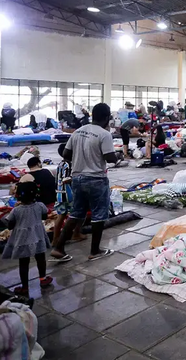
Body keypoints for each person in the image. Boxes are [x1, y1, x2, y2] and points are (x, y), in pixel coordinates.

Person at [51, 103, 118, 263]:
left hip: (78, 178)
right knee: (99, 214)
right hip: (96, 179)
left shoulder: (78, 132)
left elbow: (66, 154)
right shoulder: (104, 134)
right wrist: (118, 157)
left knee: (75, 213)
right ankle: (95, 251)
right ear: (107, 117)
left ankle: (58, 248)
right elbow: (110, 158)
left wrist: (81, 160)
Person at [2, 182, 53, 296]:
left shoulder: (16, 210)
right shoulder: (40, 206)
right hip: (38, 236)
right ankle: (43, 279)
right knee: (41, 259)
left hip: (23, 239)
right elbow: (44, 216)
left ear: (18, 195)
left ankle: (24, 287)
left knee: (23, 263)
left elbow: (10, 224)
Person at [53, 144, 85, 245]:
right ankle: (76, 233)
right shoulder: (69, 165)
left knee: (61, 216)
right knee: (79, 214)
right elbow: (66, 179)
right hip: (69, 194)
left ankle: (55, 239)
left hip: (59, 193)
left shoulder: (60, 164)